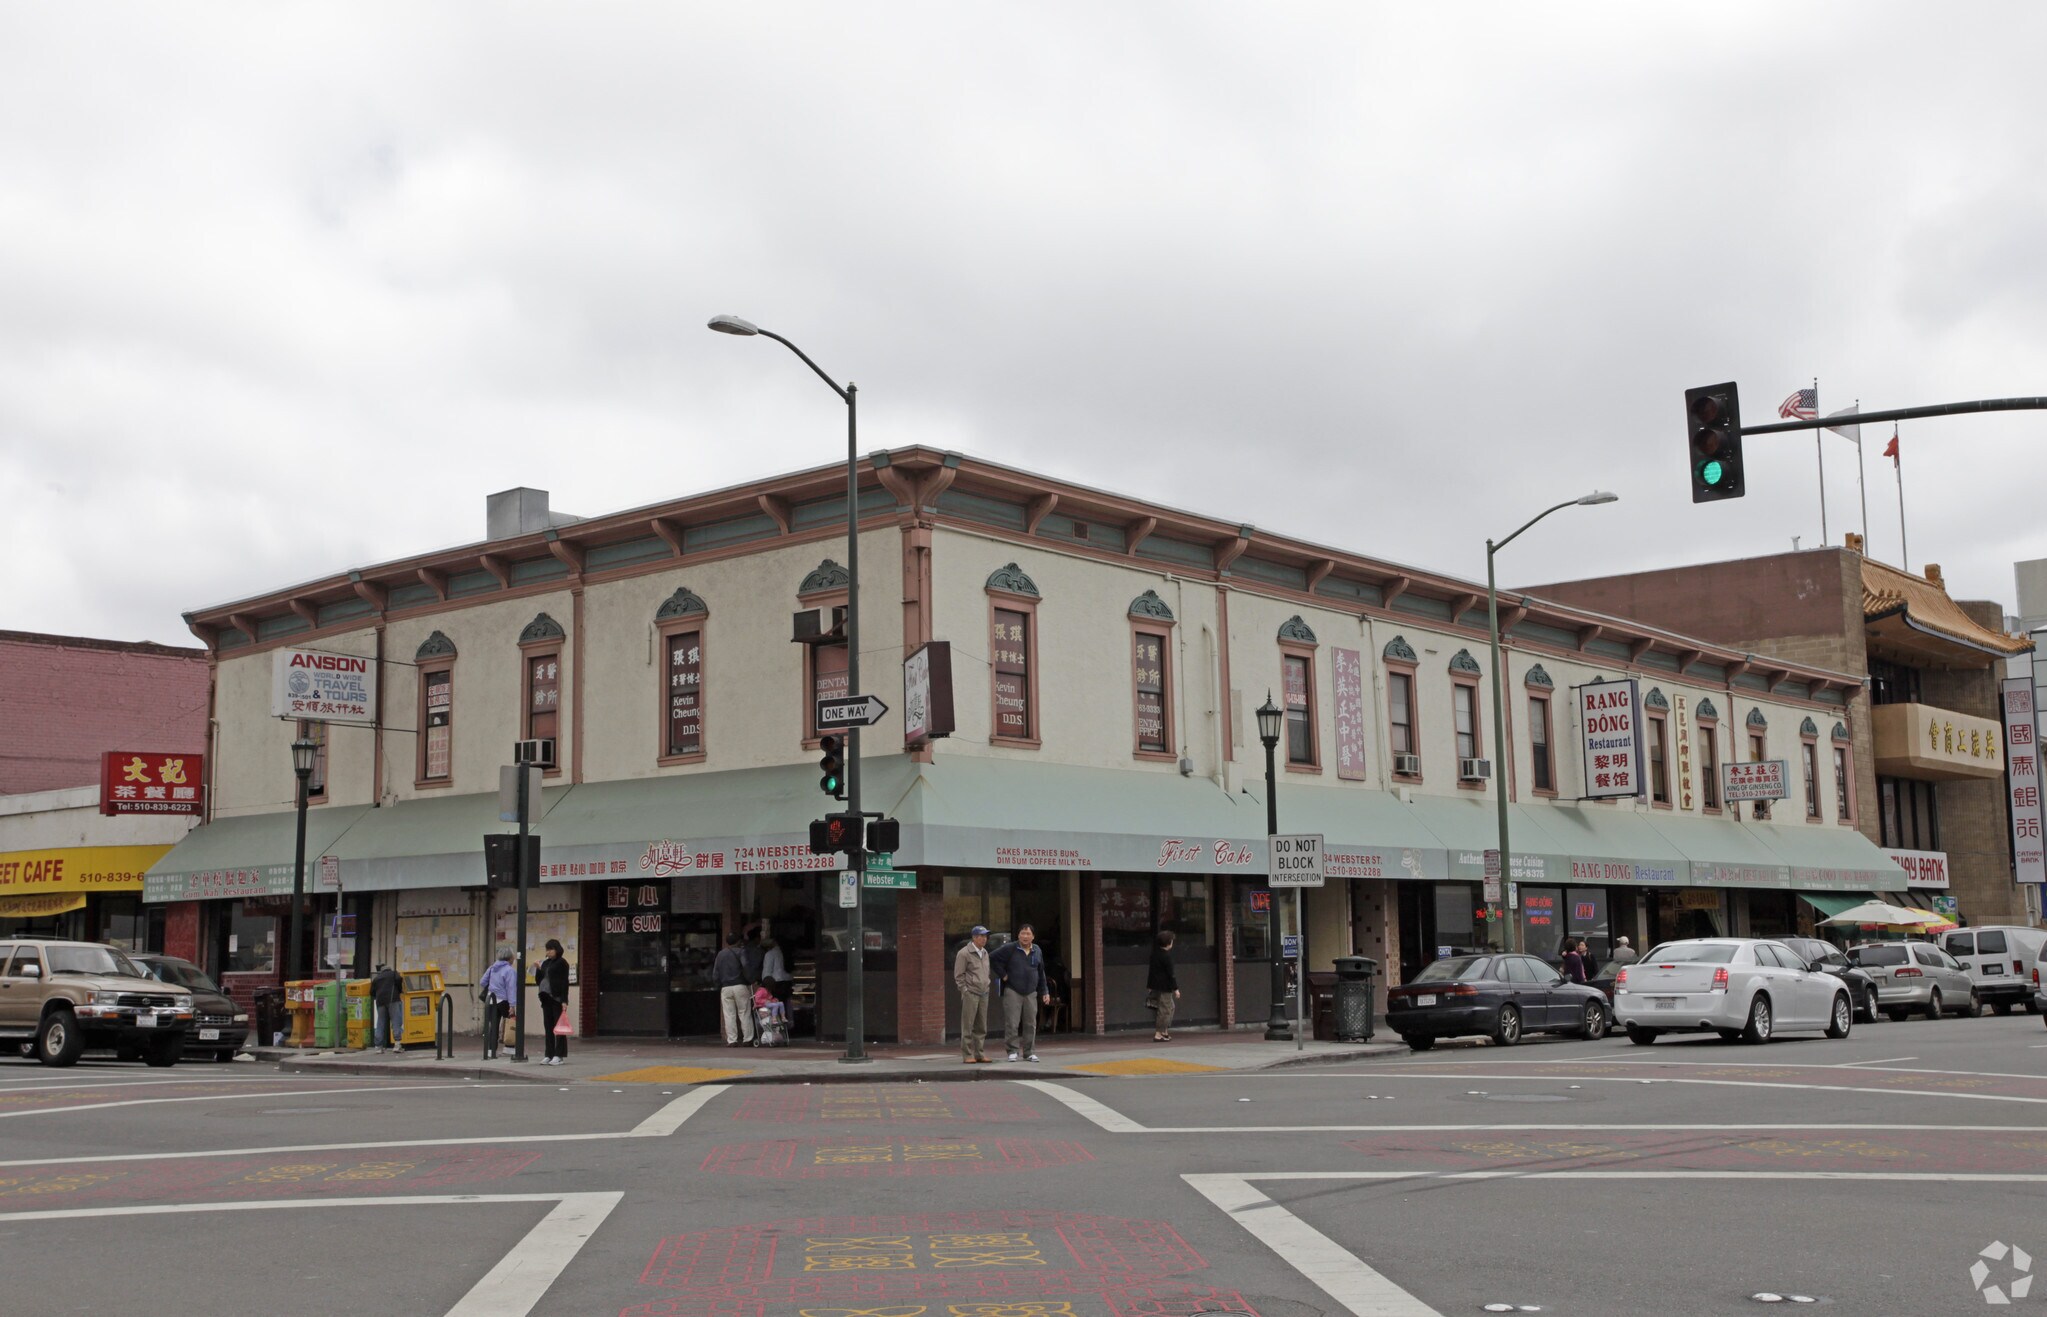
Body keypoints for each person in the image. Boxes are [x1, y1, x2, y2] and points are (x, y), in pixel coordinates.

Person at [991, 923, 1050, 1062]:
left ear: (1033, 936)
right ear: (1018, 935)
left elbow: (1041, 972)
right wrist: (1003, 974)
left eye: (1028, 934)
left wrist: (1045, 991)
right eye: (1022, 933)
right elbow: (992, 958)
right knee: (1012, 1022)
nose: (1025, 936)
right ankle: (1012, 1051)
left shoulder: (1037, 950)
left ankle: (1029, 1052)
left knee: (1031, 1023)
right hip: (1013, 990)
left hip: (1031, 992)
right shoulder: (1010, 948)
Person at [953, 925, 993, 1064]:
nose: (984, 939)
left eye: (985, 936)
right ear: (974, 937)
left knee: (981, 1026)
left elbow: (986, 972)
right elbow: (959, 975)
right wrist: (965, 990)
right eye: (981, 936)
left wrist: (987, 985)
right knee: (968, 1026)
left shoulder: (985, 953)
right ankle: (967, 1054)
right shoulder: (964, 953)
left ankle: (979, 1053)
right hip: (971, 993)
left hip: (984, 992)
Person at [713, 933, 754, 1046]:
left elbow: (715, 973)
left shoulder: (720, 954)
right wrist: (750, 980)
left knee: (729, 1014)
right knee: (744, 1012)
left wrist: (718, 986)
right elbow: (745, 966)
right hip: (740, 985)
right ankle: (747, 1039)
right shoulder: (741, 952)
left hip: (725, 987)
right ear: (738, 941)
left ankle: (732, 1040)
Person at [535, 939, 571, 1065]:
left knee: (559, 1027)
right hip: (545, 997)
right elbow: (539, 980)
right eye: (547, 949)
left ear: (557, 949)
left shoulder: (562, 963)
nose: (548, 952)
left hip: (556, 997)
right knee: (548, 1026)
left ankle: (559, 1054)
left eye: (551, 949)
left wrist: (564, 1000)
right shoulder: (545, 963)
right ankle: (548, 1054)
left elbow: (564, 982)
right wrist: (538, 969)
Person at [479, 950, 517, 1060]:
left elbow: (482, 982)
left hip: (490, 1000)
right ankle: (509, 1047)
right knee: (510, 1022)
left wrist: (493, 986)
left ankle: (491, 1050)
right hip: (504, 1000)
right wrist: (512, 1005)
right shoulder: (509, 970)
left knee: (493, 1025)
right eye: (513, 957)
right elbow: (511, 988)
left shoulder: (492, 968)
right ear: (509, 958)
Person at [1148, 930, 1180, 1041]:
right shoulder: (1167, 957)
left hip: (1156, 986)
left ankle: (1164, 1031)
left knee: (1169, 1008)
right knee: (1165, 1009)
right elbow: (1171, 974)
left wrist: (1150, 985)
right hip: (1165, 987)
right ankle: (1159, 1033)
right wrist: (1176, 989)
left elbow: (1151, 971)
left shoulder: (1154, 955)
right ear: (1169, 943)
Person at [369, 962, 402, 1052]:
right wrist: (399, 990)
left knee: (380, 1022)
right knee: (396, 1021)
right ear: (389, 968)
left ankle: (378, 1046)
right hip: (393, 999)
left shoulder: (377, 978)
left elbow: (371, 992)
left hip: (380, 1002)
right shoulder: (394, 973)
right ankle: (397, 1044)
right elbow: (399, 979)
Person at [760, 936, 790, 1004]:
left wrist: (764, 985)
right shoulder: (783, 952)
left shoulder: (770, 954)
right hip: (786, 980)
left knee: (775, 1003)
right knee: (784, 1003)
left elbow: (767, 971)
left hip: (775, 982)